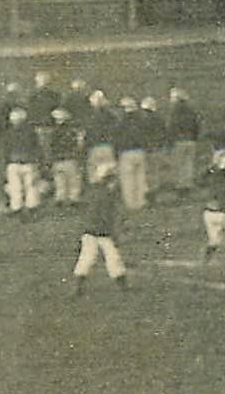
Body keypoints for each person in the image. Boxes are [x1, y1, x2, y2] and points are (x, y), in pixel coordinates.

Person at [72, 161, 128, 295]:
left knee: (86, 258)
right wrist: (113, 233)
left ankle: (78, 287)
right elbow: (105, 216)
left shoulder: (94, 192)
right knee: (113, 258)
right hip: (101, 232)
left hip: (90, 231)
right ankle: (123, 286)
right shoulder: (106, 195)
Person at [1, 106, 42, 217]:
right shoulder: (31, 132)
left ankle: (16, 206)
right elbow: (36, 147)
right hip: (28, 162)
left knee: (15, 187)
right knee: (30, 186)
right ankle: (31, 206)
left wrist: (6, 162)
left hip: (13, 162)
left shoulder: (8, 133)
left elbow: (5, 149)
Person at [164, 87, 201, 195]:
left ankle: (180, 188)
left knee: (179, 165)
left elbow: (171, 127)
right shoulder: (191, 110)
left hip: (179, 141)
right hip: (191, 140)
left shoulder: (174, 111)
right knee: (188, 164)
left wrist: (169, 140)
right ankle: (187, 186)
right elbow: (197, 125)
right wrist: (195, 138)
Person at [114, 97, 149, 211]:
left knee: (128, 179)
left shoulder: (121, 122)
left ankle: (130, 204)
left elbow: (116, 138)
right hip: (140, 151)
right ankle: (141, 201)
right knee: (140, 178)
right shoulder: (141, 120)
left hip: (126, 152)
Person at [47, 107, 84, 206]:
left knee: (59, 181)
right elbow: (78, 144)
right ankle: (74, 199)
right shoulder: (72, 131)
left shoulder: (53, 132)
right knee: (73, 180)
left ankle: (60, 198)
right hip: (70, 158)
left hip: (57, 159)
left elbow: (50, 146)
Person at [82, 90, 118, 185]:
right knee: (109, 174)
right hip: (107, 147)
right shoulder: (111, 116)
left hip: (95, 148)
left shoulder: (90, 116)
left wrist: (85, 147)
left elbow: (88, 133)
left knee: (95, 176)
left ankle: (98, 193)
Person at [26, 70, 61, 160]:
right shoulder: (33, 96)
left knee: (46, 151)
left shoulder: (53, 95)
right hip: (39, 126)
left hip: (47, 126)